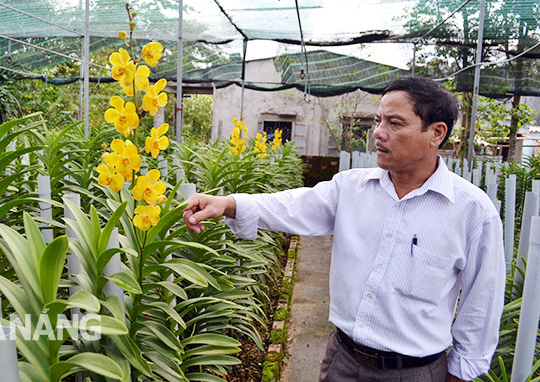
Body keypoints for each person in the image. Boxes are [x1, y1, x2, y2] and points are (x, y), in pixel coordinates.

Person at [182, 76, 505, 382]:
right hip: (343, 359)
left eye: (394, 123)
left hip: (415, 371)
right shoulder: (351, 188)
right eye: (378, 120)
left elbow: (483, 299)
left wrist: (461, 372)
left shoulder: (471, 210)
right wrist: (228, 203)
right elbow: (294, 205)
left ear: (436, 132)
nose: (378, 132)